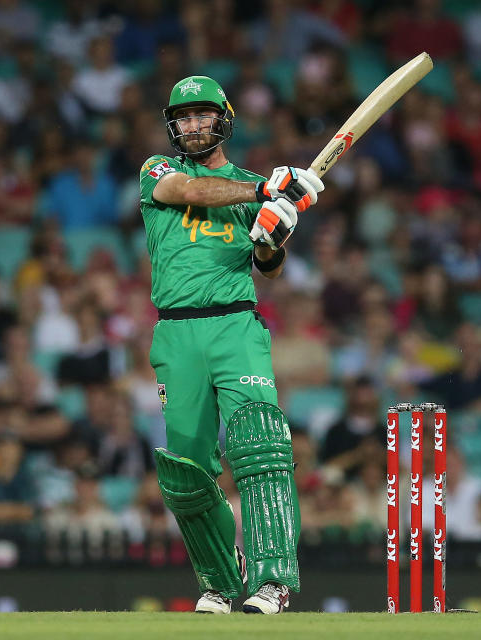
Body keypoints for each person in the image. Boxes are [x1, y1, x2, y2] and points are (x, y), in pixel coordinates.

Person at [138, 75, 324, 614]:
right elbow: (187, 192)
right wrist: (265, 191)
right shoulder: (159, 171)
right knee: (187, 470)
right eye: (183, 118)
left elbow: (269, 268)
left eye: (202, 115)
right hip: (176, 330)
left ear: (225, 119)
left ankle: (273, 581)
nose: (193, 126)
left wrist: (270, 237)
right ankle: (221, 580)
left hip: (236, 325)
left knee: (260, 445)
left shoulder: (248, 185)